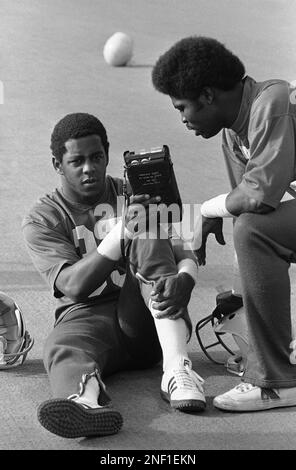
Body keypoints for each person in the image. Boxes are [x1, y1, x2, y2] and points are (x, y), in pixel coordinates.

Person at [22, 112, 205, 439]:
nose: (88, 167)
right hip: (86, 318)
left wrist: (186, 280)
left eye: (96, 157)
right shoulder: (43, 216)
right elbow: (73, 286)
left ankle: (177, 369)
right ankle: (84, 402)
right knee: (60, 346)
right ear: (57, 164)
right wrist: (122, 232)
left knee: (147, 224)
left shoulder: (135, 194)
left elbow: (185, 255)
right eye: (76, 161)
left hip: (146, 314)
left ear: (108, 155)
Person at [151, 36, 296, 412]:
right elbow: (253, 208)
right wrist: (238, 291)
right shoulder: (234, 132)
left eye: (183, 107)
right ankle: (272, 358)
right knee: (252, 228)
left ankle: (276, 381)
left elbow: (258, 196)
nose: (182, 119)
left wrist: (207, 210)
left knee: (253, 230)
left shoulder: (274, 102)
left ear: (209, 95)